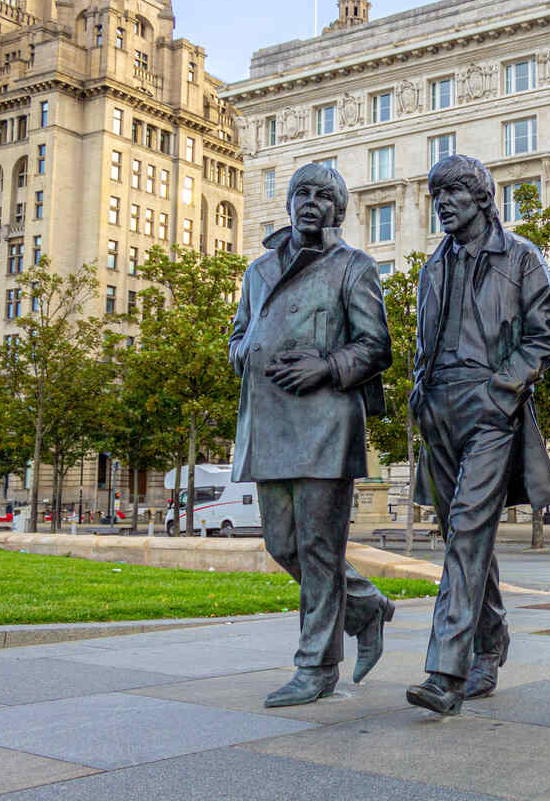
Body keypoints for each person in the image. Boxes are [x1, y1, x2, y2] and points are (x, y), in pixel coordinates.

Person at [229, 161, 396, 708]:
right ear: (288, 203)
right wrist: (246, 356)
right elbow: (238, 335)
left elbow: (376, 347)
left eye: (324, 197)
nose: (310, 202)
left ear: (339, 211)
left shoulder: (355, 267)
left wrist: (325, 365)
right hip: (269, 420)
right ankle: (366, 604)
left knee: (319, 548)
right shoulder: (257, 271)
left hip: (326, 421)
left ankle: (317, 666)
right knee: (282, 544)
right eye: (302, 193)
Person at [406, 154, 550, 715]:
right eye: (436, 193)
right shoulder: (431, 268)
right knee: (461, 537)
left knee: (470, 530)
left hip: (491, 406)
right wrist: (419, 392)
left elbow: (547, 333)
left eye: (452, 192)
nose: (442, 202)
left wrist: (505, 389)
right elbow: (422, 344)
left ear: (481, 198)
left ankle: (445, 670)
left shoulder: (520, 258)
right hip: (439, 411)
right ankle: (491, 641)